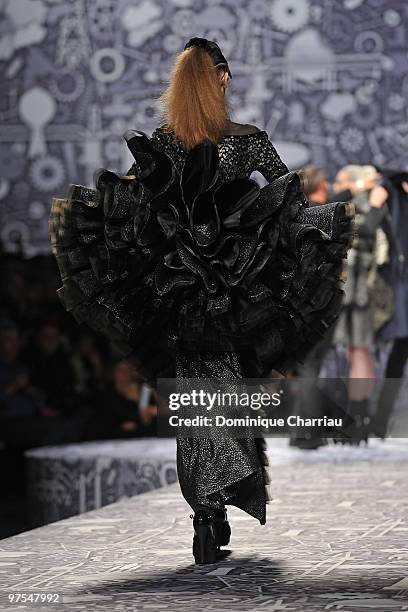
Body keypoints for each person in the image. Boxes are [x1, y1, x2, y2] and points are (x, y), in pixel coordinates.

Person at [49, 37, 354, 564]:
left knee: (196, 397)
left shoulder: (164, 143)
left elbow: (137, 214)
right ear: (224, 78)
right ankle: (216, 503)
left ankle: (205, 512)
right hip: (242, 289)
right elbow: (293, 204)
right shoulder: (249, 139)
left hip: (173, 288)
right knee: (226, 393)